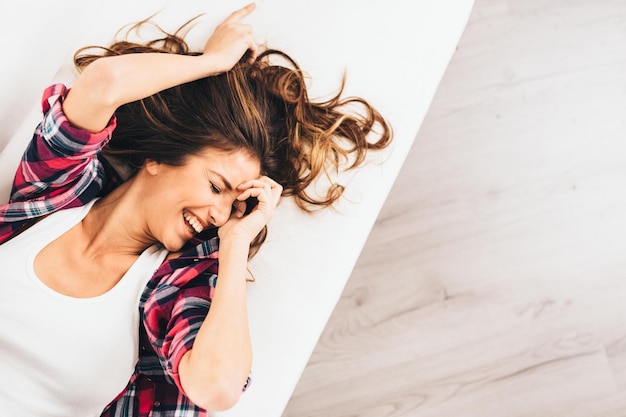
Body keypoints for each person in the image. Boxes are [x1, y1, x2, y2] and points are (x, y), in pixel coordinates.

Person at [0, 3, 392, 416]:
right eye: (216, 186)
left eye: (234, 204)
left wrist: (236, 241)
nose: (221, 215)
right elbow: (104, 82)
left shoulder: (173, 285)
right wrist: (212, 62)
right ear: (157, 158)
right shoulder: (55, 196)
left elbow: (217, 388)